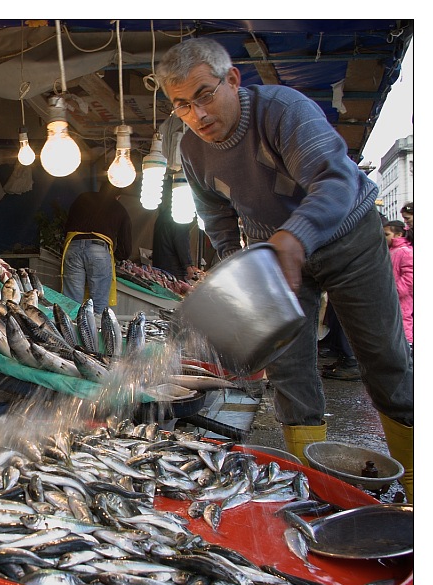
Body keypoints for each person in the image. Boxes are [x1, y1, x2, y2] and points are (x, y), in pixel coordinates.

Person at [156, 38, 413, 501]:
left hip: (347, 237)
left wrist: (295, 236)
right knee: (289, 371)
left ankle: (416, 482)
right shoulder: (194, 151)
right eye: (181, 105)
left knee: (384, 359)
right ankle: (310, 486)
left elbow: (335, 178)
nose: (197, 114)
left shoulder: (282, 109)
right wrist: (232, 267)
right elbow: (216, 214)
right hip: (271, 254)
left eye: (204, 95)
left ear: (232, 80)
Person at [61, 181, 132, 314]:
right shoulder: (119, 208)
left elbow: (66, 224)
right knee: (99, 305)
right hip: (99, 249)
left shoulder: (83, 198)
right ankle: (96, 332)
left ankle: (69, 332)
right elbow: (125, 247)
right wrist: (117, 257)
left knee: (71, 303)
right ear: (118, 196)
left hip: (73, 246)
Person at [150, 179, 204, 282]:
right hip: (173, 271)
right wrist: (188, 265)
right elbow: (181, 241)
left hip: (160, 266)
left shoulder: (164, 215)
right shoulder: (181, 214)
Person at [384, 220, 413, 354]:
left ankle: (408, 352)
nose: (384, 237)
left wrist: (395, 291)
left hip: (401, 299)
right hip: (392, 298)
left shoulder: (405, 251)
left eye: (386, 234)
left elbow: (410, 277)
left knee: (403, 323)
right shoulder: (391, 250)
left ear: (398, 234)